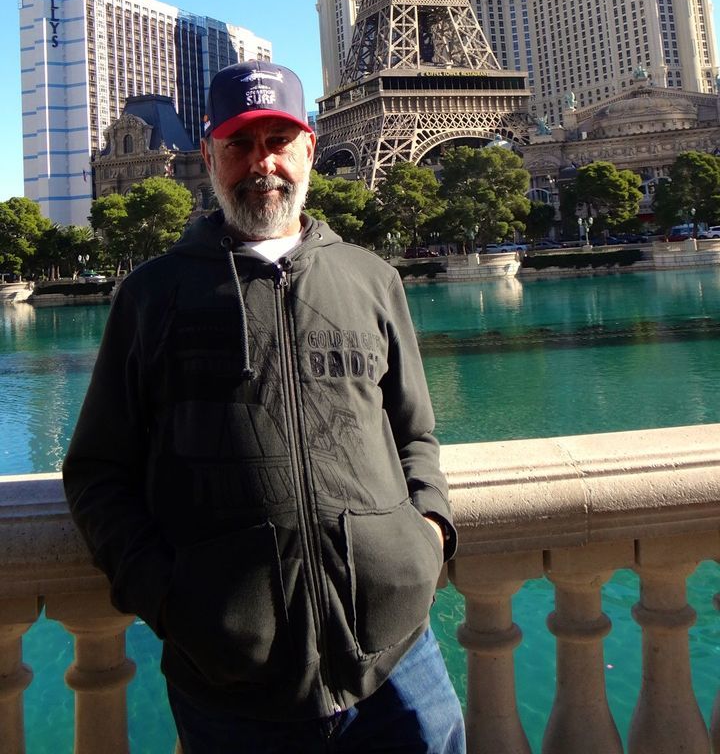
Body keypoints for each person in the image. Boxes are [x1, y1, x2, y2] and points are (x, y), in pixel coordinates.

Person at [63, 60, 465, 754]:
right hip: (231, 681)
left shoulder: (372, 278)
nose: (263, 164)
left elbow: (415, 433)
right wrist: (167, 598)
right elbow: (99, 470)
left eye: (279, 140)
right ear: (209, 154)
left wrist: (425, 539)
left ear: (310, 147)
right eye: (241, 144)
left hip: (400, 659)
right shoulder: (152, 295)